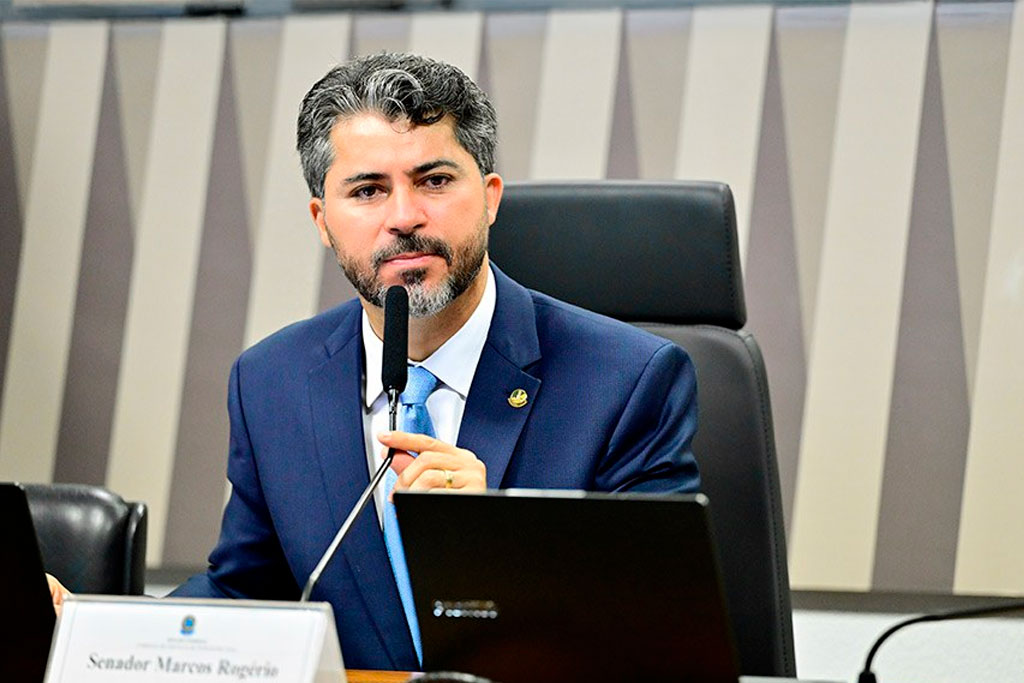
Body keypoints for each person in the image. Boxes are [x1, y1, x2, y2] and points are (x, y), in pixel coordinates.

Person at [52, 52, 700, 671]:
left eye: (435, 180)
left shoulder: (629, 382)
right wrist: (92, 630)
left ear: (492, 195)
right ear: (322, 220)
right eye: (366, 190)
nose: (405, 218)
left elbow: (666, 636)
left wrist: (502, 548)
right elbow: (249, 594)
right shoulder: (271, 381)